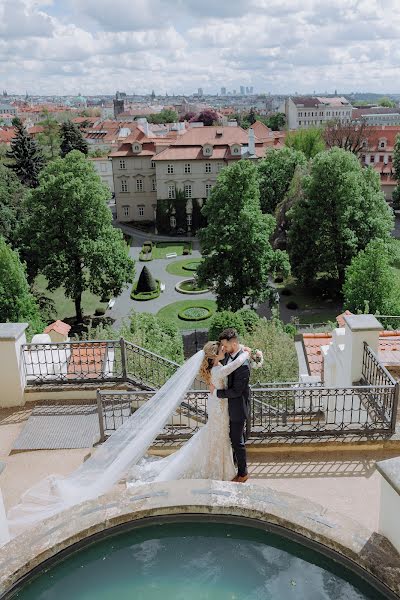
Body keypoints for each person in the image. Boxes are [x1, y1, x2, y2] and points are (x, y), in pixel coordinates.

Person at [127, 340, 250, 484]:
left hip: (217, 404)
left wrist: (241, 348)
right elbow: (235, 365)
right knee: (218, 434)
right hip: (218, 407)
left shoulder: (217, 366)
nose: (224, 350)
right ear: (215, 356)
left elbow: (231, 363)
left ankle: (221, 467)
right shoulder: (218, 370)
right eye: (222, 350)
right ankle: (219, 469)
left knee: (218, 434)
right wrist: (246, 353)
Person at [211, 328, 251, 483]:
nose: (223, 349)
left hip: (237, 408)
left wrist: (216, 393)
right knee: (234, 439)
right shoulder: (229, 354)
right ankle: (234, 467)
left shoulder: (243, 365)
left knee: (237, 441)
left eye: (225, 346)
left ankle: (243, 474)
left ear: (233, 343)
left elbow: (236, 391)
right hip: (227, 408)